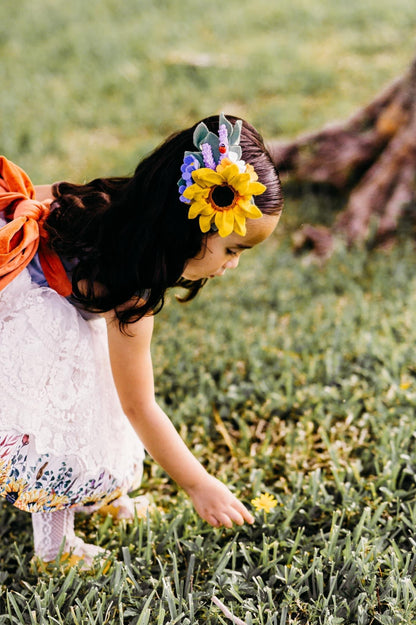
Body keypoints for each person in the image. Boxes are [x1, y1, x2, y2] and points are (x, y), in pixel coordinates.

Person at [0, 113, 283, 568]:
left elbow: (41, 196)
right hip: (26, 314)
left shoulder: (110, 202)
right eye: (233, 249)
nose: (232, 265)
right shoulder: (130, 284)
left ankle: (98, 494)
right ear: (188, 226)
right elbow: (140, 406)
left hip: (37, 292)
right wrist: (198, 484)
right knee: (62, 422)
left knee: (97, 403)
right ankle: (54, 548)